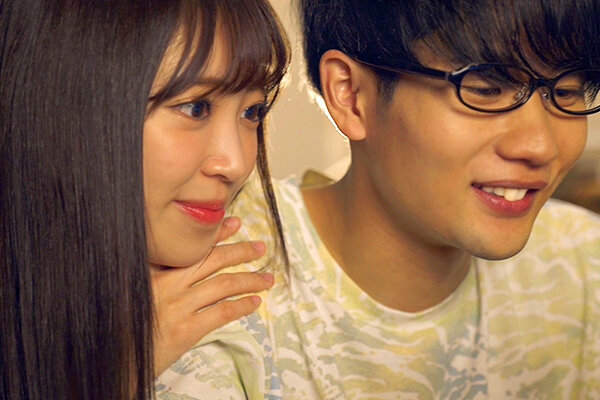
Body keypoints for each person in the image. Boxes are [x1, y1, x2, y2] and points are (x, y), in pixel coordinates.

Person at [156, 0, 600, 399]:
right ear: (350, 95)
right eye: (485, 88)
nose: (539, 145)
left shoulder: (584, 262)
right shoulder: (207, 290)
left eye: (565, 91)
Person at [0, 0, 288, 398]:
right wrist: (113, 377)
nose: (236, 163)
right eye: (196, 108)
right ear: (66, 105)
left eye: (252, 111)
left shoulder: (233, 327)